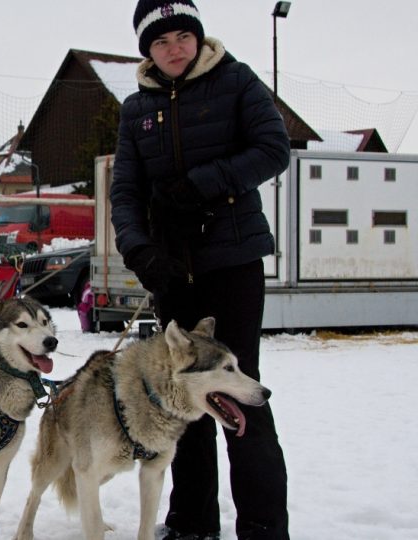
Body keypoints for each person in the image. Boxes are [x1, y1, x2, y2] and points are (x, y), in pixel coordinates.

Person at [110, 1, 290, 539]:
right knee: (182, 399)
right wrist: (140, 251)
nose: (175, 49)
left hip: (231, 263)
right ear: (148, 50)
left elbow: (273, 149)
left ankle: (262, 527)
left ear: (198, 39)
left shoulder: (235, 81)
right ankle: (191, 522)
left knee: (238, 393)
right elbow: (126, 192)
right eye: (162, 42)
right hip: (173, 269)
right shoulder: (135, 108)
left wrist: (201, 184)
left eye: (183, 37)